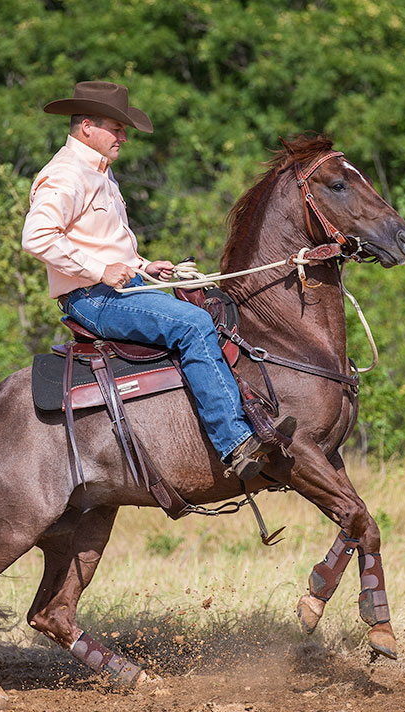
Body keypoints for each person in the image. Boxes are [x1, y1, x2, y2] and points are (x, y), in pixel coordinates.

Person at [21, 80, 293, 480]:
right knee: (194, 324)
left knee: (213, 313)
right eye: (117, 128)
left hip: (119, 287)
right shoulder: (65, 174)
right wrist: (101, 271)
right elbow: (37, 237)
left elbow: (100, 241)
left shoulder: (101, 173)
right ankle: (234, 442)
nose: (124, 138)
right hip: (91, 297)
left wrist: (142, 265)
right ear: (87, 127)